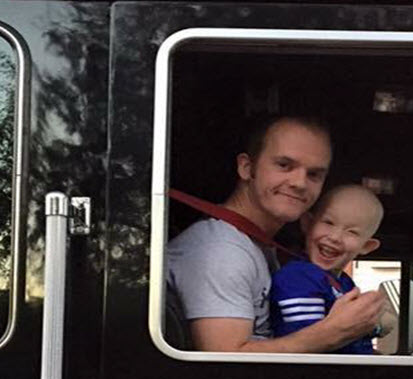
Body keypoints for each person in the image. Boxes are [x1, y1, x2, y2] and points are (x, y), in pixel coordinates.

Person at [166, 115, 384, 352]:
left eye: (314, 174)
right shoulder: (221, 251)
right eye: (284, 165)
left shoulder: (259, 247)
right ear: (247, 168)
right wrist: (334, 332)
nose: (300, 183)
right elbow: (225, 361)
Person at [270, 185, 390, 354]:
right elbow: (311, 342)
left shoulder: (344, 282)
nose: (335, 237)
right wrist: (376, 326)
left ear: (367, 246)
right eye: (328, 222)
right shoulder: (298, 277)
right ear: (307, 224)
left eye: (352, 232)